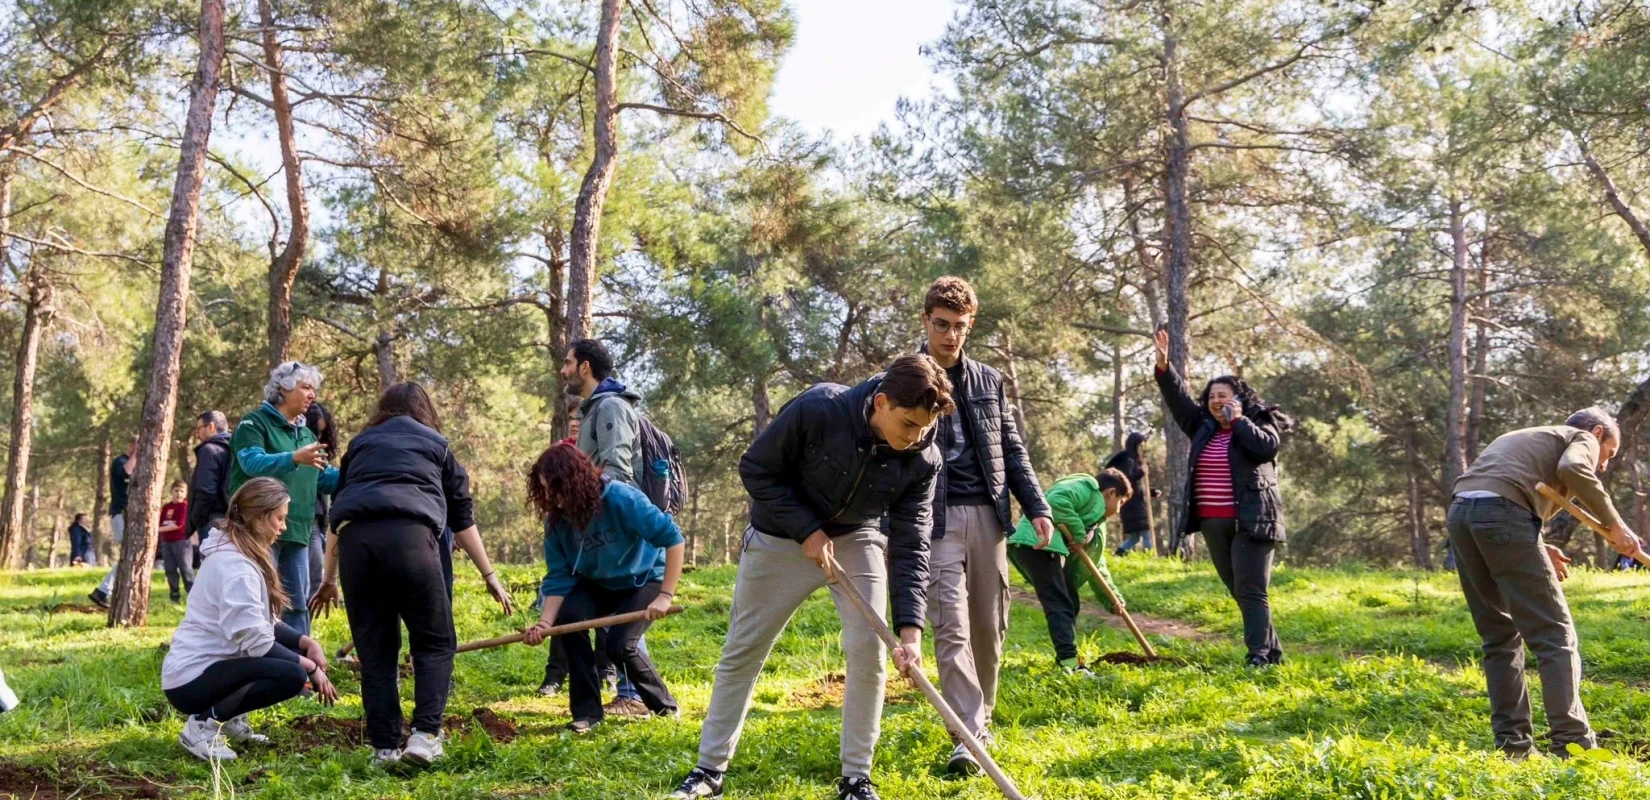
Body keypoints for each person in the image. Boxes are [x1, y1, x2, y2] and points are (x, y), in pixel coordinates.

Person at [667, 355, 953, 800]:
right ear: (880, 403)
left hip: (857, 538)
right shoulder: (819, 407)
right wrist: (807, 530)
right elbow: (757, 469)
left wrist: (910, 631)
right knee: (744, 649)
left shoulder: (924, 458)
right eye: (908, 424)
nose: (915, 437)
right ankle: (709, 770)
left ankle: (857, 778)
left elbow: (913, 542)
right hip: (780, 535)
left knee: (869, 653)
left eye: (924, 428)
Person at [309, 381, 513, 767]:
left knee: (375, 651)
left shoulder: (362, 445)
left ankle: (383, 748)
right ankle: (424, 736)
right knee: (435, 642)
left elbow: (339, 514)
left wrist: (328, 579)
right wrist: (489, 575)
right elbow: (462, 519)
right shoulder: (438, 445)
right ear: (425, 410)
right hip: (411, 540)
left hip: (356, 546)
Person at [910, 276, 1053, 777]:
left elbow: (1012, 449)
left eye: (960, 327)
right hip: (934, 519)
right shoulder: (904, 377)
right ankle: (967, 737)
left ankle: (980, 718)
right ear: (926, 321)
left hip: (989, 517)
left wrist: (1037, 505)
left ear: (971, 326)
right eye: (942, 325)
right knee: (950, 626)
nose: (951, 335)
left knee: (988, 630)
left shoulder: (989, 381)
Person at [1449, 408, 1645, 758]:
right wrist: (1615, 523)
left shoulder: (1530, 436)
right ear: (1598, 433)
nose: (1603, 465)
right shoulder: (1580, 437)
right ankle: (1573, 744)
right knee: (1556, 636)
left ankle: (1513, 747)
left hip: (1462, 515)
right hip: (1503, 516)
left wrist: (1536, 545)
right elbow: (1573, 469)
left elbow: (1495, 496)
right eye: (1609, 454)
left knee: (1499, 636)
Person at [160, 477, 338, 762]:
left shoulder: (240, 555)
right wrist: (310, 666)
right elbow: (256, 641)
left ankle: (228, 719)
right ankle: (203, 725)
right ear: (259, 517)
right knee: (291, 675)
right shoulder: (236, 568)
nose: (283, 527)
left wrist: (306, 642)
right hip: (191, 679)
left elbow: (262, 622)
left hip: (210, 668)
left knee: (288, 666)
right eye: (279, 519)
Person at [521, 443, 684, 732]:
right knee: (569, 621)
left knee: (620, 644)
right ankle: (588, 714)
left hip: (643, 579)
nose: (548, 497)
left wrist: (665, 596)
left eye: (554, 488)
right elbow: (559, 576)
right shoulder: (558, 521)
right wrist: (544, 623)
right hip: (598, 583)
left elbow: (673, 538)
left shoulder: (621, 499)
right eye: (543, 489)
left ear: (573, 481)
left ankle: (664, 707)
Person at [1153, 329, 1291, 668]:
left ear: (1239, 399)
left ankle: (1258, 656)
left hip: (1253, 521)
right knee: (1239, 590)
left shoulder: (1260, 420)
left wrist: (1239, 421)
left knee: (1251, 589)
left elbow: (1266, 448)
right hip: (1214, 523)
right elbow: (1178, 399)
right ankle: (1271, 654)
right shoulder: (1202, 426)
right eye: (1212, 395)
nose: (1217, 400)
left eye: (1224, 395)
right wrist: (1164, 366)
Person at [559, 339, 652, 715]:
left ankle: (633, 696)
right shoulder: (595, 407)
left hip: (618, 526)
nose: (563, 370)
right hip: (600, 525)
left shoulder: (611, 405)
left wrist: (590, 511)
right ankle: (627, 695)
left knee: (623, 611)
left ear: (585, 367)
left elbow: (618, 469)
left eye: (567, 363)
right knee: (608, 611)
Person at [228, 362, 338, 635]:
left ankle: (301, 668)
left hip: (297, 530)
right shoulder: (253, 423)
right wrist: (293, 458)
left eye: (314, 389)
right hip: (258, 529)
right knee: (258, 599)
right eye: (306, 387)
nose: (312, 395)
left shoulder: (307, 434)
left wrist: (359, 472)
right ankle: (258, 661)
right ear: (283, 389)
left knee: (297, 603)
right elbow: (251, 463)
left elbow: (321, 478)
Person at [1008, 470, 1132, 675]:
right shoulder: (1086, 486)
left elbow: (1096, 564)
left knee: (1069, 600)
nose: (1118, 511)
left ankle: (1066, 656)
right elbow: (1055, 501)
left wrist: (1112, 597)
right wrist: (1078, 533)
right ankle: (1069, 660)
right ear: (1111, 493)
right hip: (1038, 542)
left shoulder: (1097, 524)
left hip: (1048, 548)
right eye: (1121, 502)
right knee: (1059, 601)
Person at [89, 436, 136, 607]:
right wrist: (137, 454)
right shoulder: (120, 461)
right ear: (131, 446)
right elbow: (127, 472)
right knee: (128, 553)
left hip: (131, 515)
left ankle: (104, 591)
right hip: (120, 513)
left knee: (129, 553)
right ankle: (103, 591)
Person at [189, 411, 233, 571]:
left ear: (211, 427)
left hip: (212, 520)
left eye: (200, 428)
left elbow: (205, 490)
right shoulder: (236, 448)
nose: (198, 433)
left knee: (211, 571)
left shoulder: (209, 450)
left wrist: (196, 518)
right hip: (233, 519)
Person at [1108, 432, 1160, 556]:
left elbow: (1136, 486)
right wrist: (1141, 472)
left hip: (1134, 501)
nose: (1142, 449)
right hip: (1132, 504)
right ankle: (1150, 558)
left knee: (1135, 537)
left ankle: (1118, 554)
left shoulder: (1133, 461)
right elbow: (1126, 481)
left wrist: (1151, 492)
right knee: (1146, 531)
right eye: (1140, 446)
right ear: (1134, 445)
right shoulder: (1127, 460)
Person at [304, 402, 337, 594]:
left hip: (316, 519)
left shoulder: (320, 454)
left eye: (322, 434)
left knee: (315, 575)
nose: (319, 440)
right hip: (301, 518)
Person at [159, 481, 194, 602]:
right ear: (171, 492)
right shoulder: (166, 507)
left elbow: (180, 524)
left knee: (185, 569)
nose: (178, 494)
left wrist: (157, 530)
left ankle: (193, 596)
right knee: (170, 569)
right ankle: (174, 595)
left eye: (181, 491)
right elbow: (161, 521)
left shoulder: (185, 506)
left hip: (181, 542)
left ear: (185, 493)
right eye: (176, 491)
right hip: (166, 542)